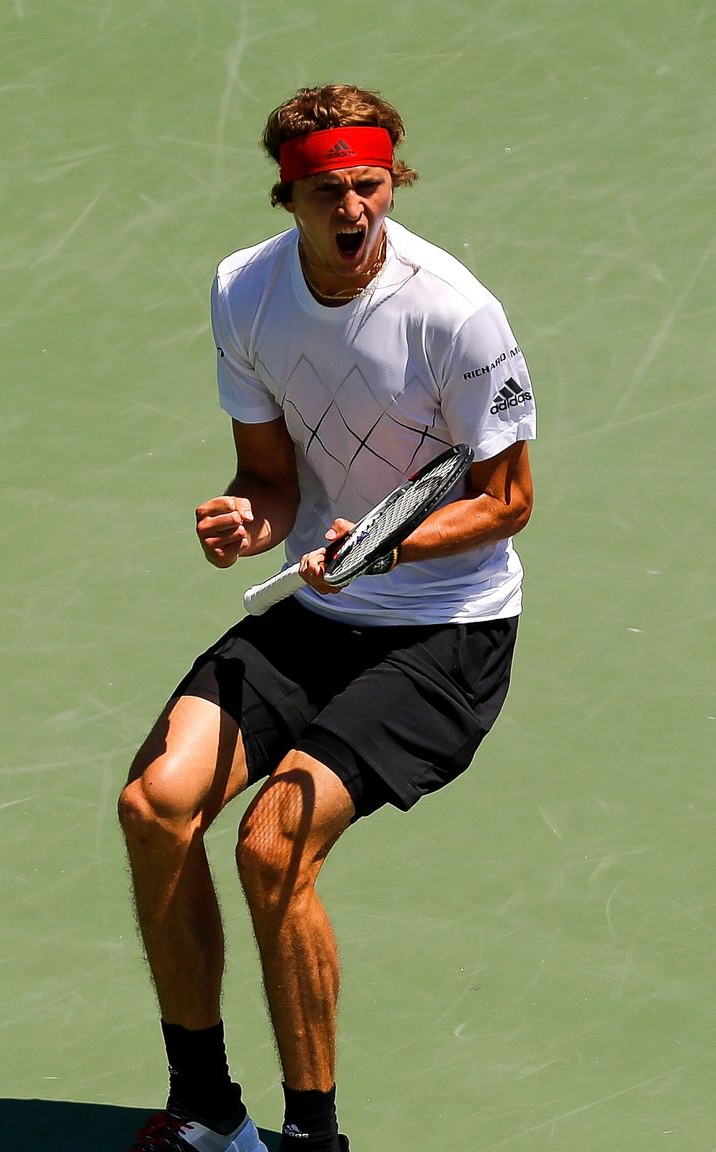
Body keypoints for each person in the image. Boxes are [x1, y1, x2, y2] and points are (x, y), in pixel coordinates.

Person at [118, 83, 537, 1152]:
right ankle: (209, 1112)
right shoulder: (244, 294)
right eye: (325, 192)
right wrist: (241, 522)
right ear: (286, 198)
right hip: (320, 608)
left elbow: (506, 500)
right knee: (156, 804)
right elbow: (266, 478)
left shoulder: (454, 313)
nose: (353, 211)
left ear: (391, 181)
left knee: (273, 842)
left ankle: (313, 1140)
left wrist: (383, 545)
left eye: (369, 185)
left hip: (444, 632)